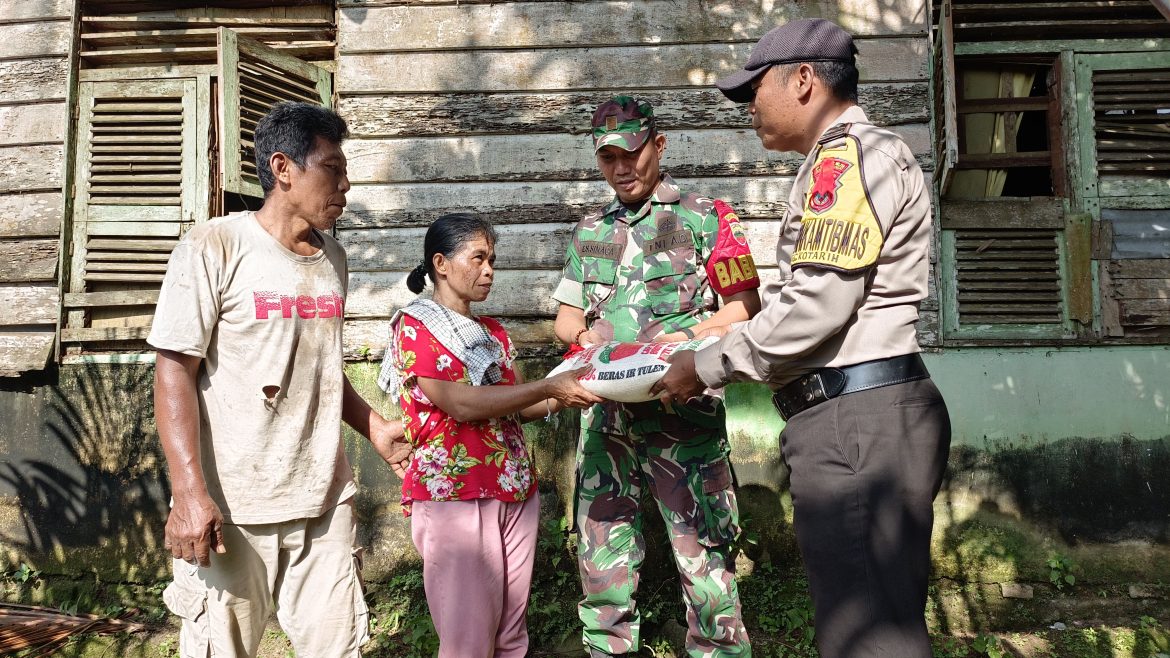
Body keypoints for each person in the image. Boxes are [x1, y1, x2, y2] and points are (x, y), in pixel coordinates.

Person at [651, 19, 952, 658]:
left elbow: (814, 306)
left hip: (855, 424)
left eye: (754, 90)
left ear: (805, 80)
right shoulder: (844, 158)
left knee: (868, 636)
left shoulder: (849, 158)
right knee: (869, 621)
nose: (749, 109)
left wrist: (703, 365)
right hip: (855, 418)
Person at [149, 102, 410, 658]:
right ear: (283, 168)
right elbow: (174, 373)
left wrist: (373, 426)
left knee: (337, 649)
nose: (346, 182)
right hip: (232, 506)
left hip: (322, 498)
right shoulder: (213, 247)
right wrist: (189, 493)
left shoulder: (333, 257)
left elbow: (315, 366)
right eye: (332, 168)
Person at [551, 95, 760, 658]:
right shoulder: (589, 230)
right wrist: (583, 340)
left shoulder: (711, 216)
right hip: (607, 417)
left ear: (659, 146)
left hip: (683, 414)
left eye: (632, 153)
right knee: (602, 552)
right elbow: (566, 318)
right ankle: (608, 649)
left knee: (705, 552)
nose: (621, 168)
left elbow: (744, 305)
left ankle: (717, 650)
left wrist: (690, 338)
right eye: (608, 158)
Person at [378, 213, 602, 658]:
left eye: (492, 260)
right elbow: (458, 402)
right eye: (478, 258)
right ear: (440, 264)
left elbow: (517, 408)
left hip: (514, 490)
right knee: (468, 638)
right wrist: (544, 386)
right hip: (454, 498)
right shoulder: (416, 327)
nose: (489, 270)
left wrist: (570, 390)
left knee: (510, 633)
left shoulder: (493, 333)